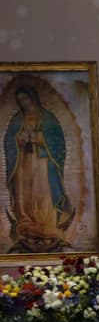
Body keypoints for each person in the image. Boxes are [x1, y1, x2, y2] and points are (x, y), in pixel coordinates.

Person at [4, 84, 74, 253]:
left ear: (33, 97)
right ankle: (26, 226)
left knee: (42, 194)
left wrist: (38, 137)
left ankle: (46, 227)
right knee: (25, 195)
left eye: (25, 98)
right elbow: (8, 142)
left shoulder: (48, 118)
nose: (24, 103)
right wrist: (18, 140)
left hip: (43, 162)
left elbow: (58, 142)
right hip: (23, 164)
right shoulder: (17, 119)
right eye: (20, 100)